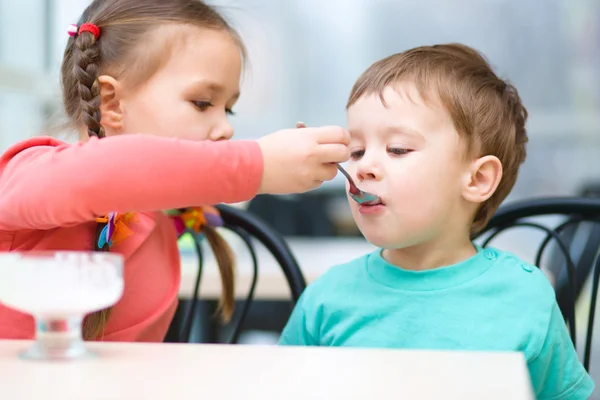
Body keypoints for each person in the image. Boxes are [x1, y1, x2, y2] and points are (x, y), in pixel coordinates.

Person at [0, 0, 350, 343]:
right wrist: (256, 163)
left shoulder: (159, 219)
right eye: (202, 103)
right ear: (111, 102)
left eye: (229, 110)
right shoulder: (27, 174)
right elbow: (105, 171)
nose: (226, 129)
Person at [279, 43, 594, 399]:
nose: (362, 166)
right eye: (356, 151)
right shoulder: (326, 298)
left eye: (397, 149)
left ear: (476, 180)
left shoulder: (525, 297)